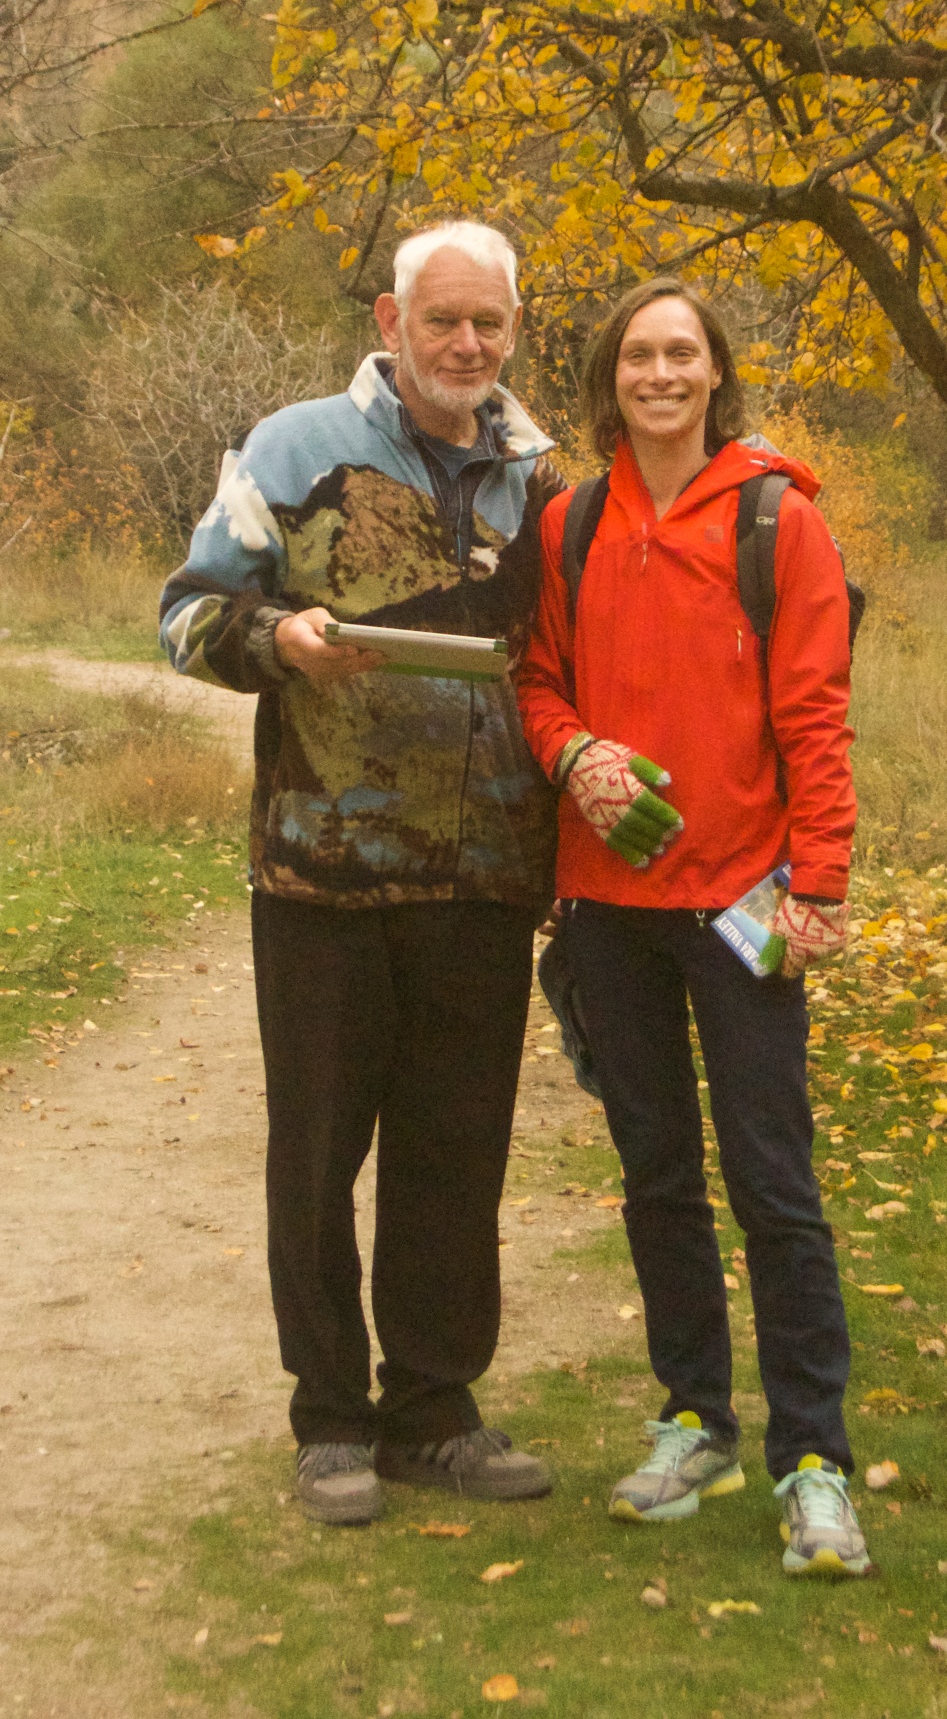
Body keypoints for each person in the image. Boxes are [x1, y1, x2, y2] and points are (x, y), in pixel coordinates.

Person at [159, 221, 561, 1525]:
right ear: (390, 319)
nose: (465, 346)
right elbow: (186, 614)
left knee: (454, 1154)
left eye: (487, 324)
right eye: (441, 320)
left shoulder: (545, 481)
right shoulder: (288, 451)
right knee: (318, 1154)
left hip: (488, 875)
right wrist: (284, 636)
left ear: (513, 328)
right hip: (320, 874)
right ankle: (329, 1419)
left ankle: (432, 1411)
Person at [516, 277, 872, 1577]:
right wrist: (574, 757)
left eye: (682, 353)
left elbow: (815, 716)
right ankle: (691, 1419)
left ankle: (814, 1460)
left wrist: (816, 882)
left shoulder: (780, 520)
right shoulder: (573, 519)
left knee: (773, 1181)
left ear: (715, 373)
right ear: (610, 374)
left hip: (742, 903)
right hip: (608, 906)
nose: (659, 372)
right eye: (637, 354)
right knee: (657, 1173)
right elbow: (537, 680)